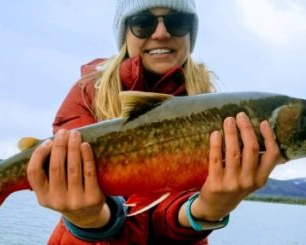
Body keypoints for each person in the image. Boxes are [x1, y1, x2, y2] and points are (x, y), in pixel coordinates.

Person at [27, 0, 280, 244]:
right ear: (125, 33)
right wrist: (90, 219)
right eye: (143, 22)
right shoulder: (86, 93)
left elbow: (175, 210)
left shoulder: (213, 110)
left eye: (177, 21)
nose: (161, 33)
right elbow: (79, 190)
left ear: (190, 34)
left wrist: (207, 209)